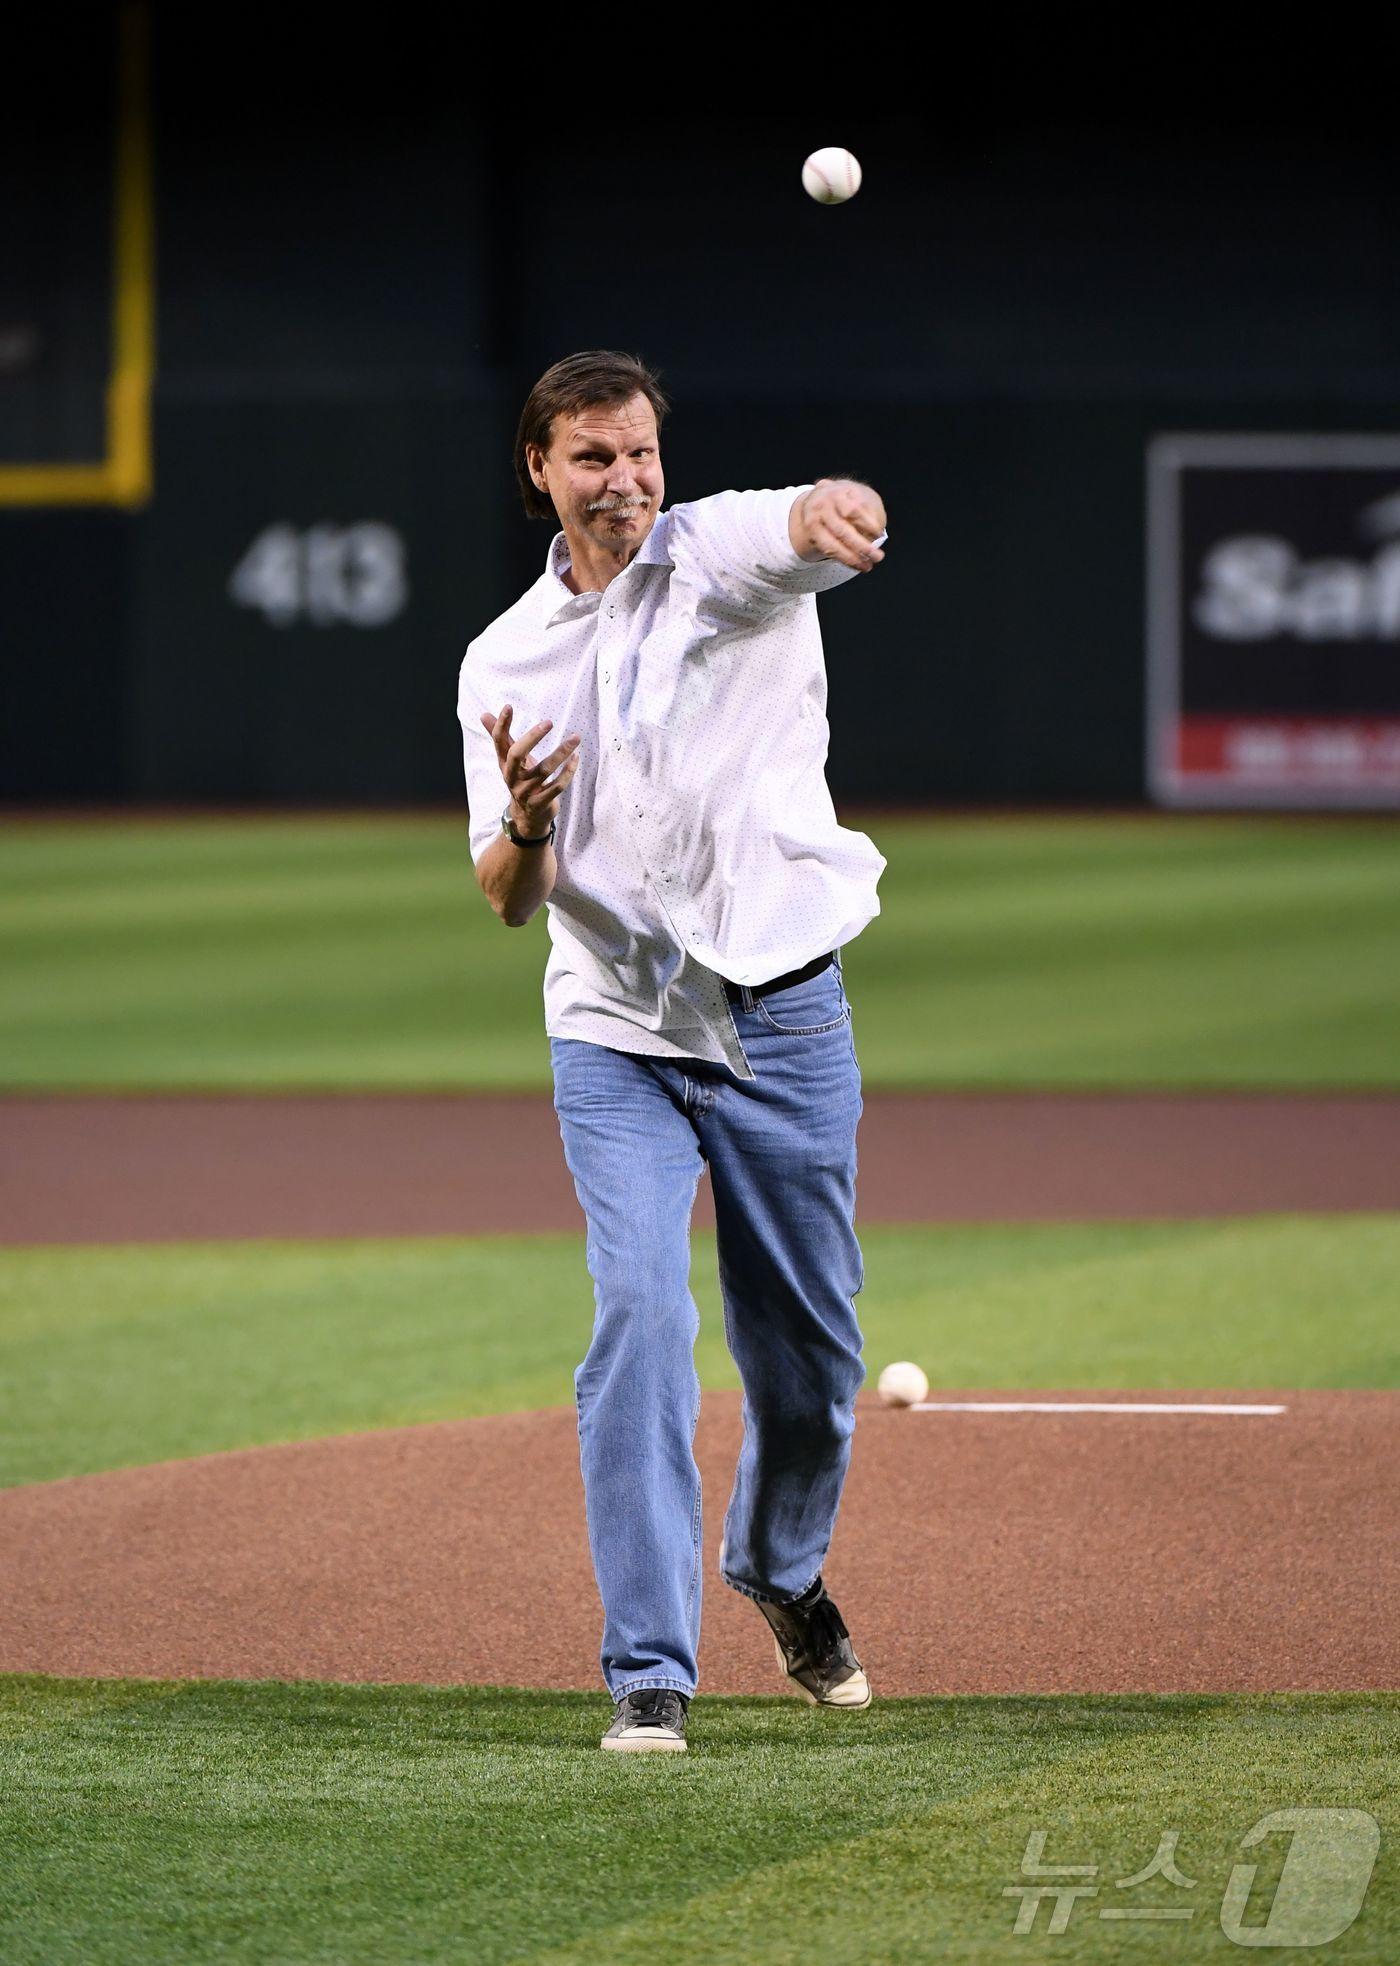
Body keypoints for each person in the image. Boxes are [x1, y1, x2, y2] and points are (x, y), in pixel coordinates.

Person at [457, 350, 888, 1752]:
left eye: (641, 451)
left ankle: (779, 1563)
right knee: (638, 1312)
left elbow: (784, 522)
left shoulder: (712, 555)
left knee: (812, 1360)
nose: (626, 478)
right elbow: (505, 890)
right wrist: (524, 821)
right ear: (541, 472)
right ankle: (649, 1666)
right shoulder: (502, 660)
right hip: (615, 1027)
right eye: (593, 456)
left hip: (781, 1008)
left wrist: (831, 512)